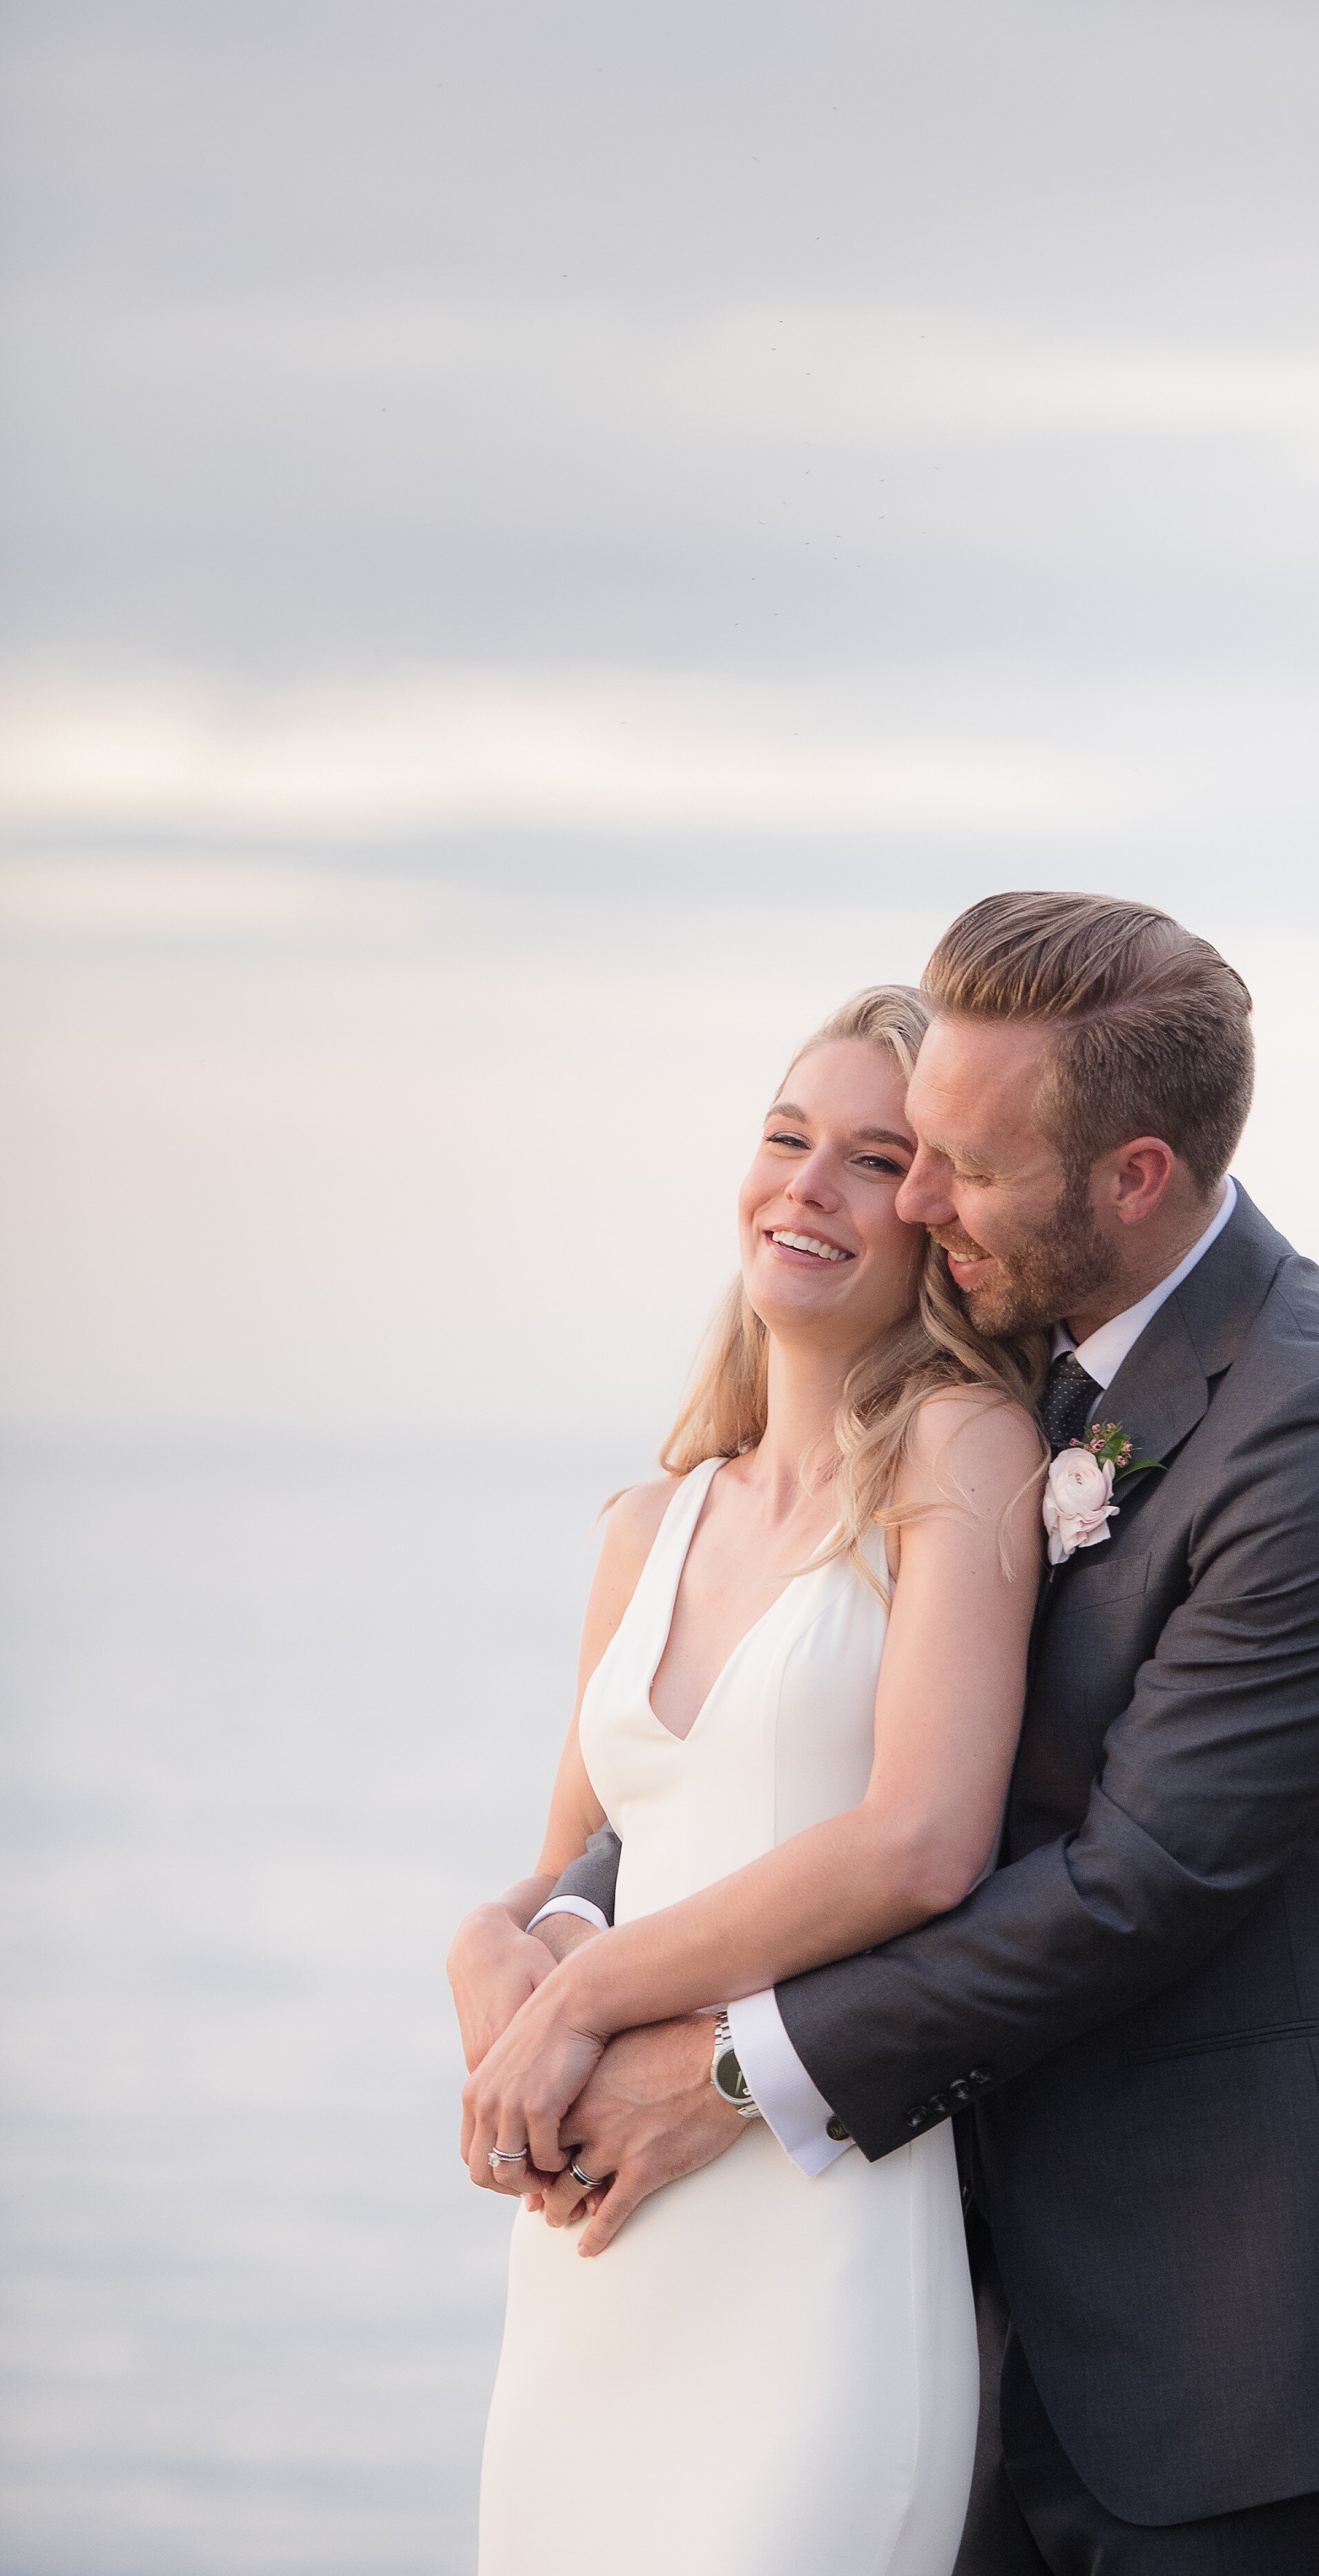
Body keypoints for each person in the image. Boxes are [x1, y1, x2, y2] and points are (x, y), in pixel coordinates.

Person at [488, 890, 1319, 2575]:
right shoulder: (1004, 1371)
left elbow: (1134, 1886)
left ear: (1133, 1177)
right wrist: (556, 1914)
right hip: (952, 2315)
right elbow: (797, 1736)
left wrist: (737, 2068)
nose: (917, 1198)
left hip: (1245, 2359)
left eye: (959, 1165)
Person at [447, 983, 1047, 2576]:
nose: (809, 1187)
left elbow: (919, 1846)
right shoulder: (650, 1524)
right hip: (597, 2260)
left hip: (817, 2235)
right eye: (786, 1139)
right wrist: (489, 1945)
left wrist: (582, 2007)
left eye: (871, 1159)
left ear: (935, 1216)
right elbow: (578, 1860)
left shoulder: (957, 1456)